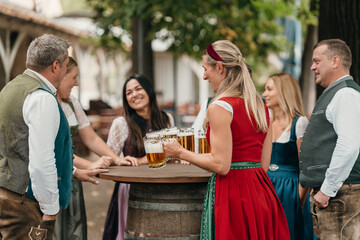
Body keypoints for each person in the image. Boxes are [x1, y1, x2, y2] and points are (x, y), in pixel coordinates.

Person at [163, 40, 290, 239]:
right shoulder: (260, 107)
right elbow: (263, 164)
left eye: (206, 69)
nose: (204, 76)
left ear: (220, 68)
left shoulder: (220, 107)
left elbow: (221, 165)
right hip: (261, 192)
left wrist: (179, 152)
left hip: (234, 196)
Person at [53, 57, 136, 240]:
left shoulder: (71, 102)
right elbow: (54, 152)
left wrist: (116, 158)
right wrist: (90, 165)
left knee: (74, 231)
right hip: (53, 180)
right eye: (74, 77)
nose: (77, 83)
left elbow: (90, 137)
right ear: (60, 75)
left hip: (72, 178)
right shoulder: (48, 103)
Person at [0, 34, 72, 240]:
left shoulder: (11, 87)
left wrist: (73, 170)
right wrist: (50, 209)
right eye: (66, 65)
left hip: (5, 191)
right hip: (24, 202)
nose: (66, 71)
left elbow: (18, 143)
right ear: (55, 66)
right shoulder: (41, 97)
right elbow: (41, 161)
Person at [300, 39, 360, 239]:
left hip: (342, 195)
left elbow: (349, 146)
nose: (312, 67)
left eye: (317, 61)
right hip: (339, 193)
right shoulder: (338, 93)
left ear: (335, 61)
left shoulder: (346, 94)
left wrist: (326, 190)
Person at [102, 74, 174, 240]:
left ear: (148, 90)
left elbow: (170, 154)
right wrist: (132, 161)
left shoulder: (166, 119)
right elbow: (108, 159)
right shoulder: (121, 123)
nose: (134, 94)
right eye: (129, 92)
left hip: (165, 186)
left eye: (138, 89)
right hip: (130, 190)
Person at [262, 73, 315, 240]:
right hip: (267, 188)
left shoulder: (299, 123)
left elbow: (306, 167)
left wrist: (298, 200)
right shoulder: (266, 121)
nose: (264, 94)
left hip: (290, 189)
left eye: (269, 89)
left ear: (284, 92)